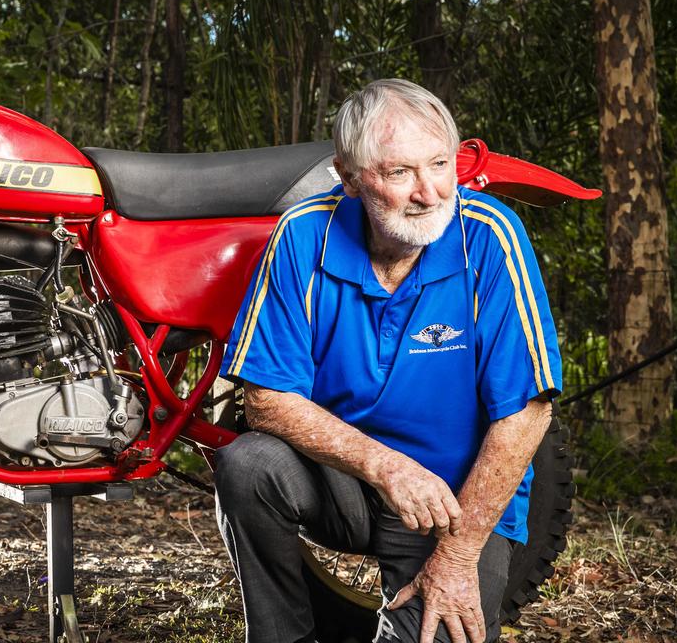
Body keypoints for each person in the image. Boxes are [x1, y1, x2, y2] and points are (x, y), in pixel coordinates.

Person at [215, 78, 562, 643]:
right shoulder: (303, 236)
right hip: (346, 480)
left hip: (452, 501)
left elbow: (526, 414)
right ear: (348, 178)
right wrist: (386, 467)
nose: (430, 192)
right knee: (249, 465)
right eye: (400, 173)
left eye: (440, 164)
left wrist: (456, 556)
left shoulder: (491, 236)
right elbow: (266, 400)